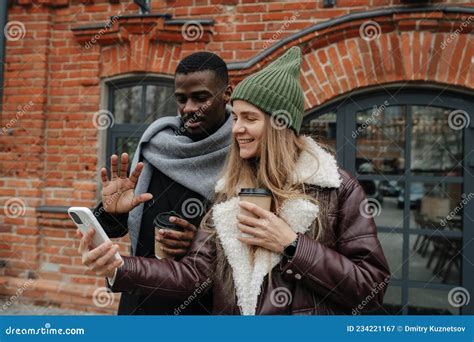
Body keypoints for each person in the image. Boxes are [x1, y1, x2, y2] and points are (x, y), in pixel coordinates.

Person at [80, 47, 390, 315]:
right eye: (237, 117)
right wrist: (119, 267)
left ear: (280, 125)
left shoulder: (336, 188)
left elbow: (371, 288)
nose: (237, 128)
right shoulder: (229, 189)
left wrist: (292, 245)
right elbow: (195, 273)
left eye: (250, 119)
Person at [78, 52, 233, 315]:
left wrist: (199, 243)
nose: (189, 108)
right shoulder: (156, 146)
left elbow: (254, 247)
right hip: (140, 300)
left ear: (227, 93)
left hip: (202, 309)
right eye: (181, 99)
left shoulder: (242, 153)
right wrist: (113, 212)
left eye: (201, 97)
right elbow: (123, 229)